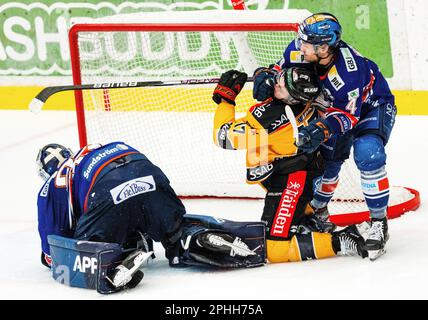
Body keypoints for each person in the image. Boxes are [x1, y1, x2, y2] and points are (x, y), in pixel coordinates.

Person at [252, 13, 396, 261]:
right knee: (325, 162)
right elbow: (277, 70)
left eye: (307, 44)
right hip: (335, 110)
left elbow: (349, 118)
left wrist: (321, 129)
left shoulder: (348, 73)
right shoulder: (300, 50)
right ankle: (318, 213)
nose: (300, 47)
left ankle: (378, 222)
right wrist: (263, 77)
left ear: (324, 47)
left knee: (368, 153)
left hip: (372, 107)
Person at [36, 142, 266, 293]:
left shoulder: (53, 181)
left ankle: (116, 260)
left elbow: (52, 244)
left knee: (91, 242)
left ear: (45, 172)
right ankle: (191, 239)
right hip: (147, 174)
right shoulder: (89, 152)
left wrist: (53, 255)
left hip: (107, 189)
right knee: (171, 226)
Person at [212, 68, 368, 264]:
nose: (277, 82)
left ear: (293, 98)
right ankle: (308, 219)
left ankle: (342, 240)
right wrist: (264, 73)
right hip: (301, 172)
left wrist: (226, 100)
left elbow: (222, 137)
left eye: (283, 86)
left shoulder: (270, 120)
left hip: (291, 182)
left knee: (275, 250)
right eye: (281, 78)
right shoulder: (307, 101)